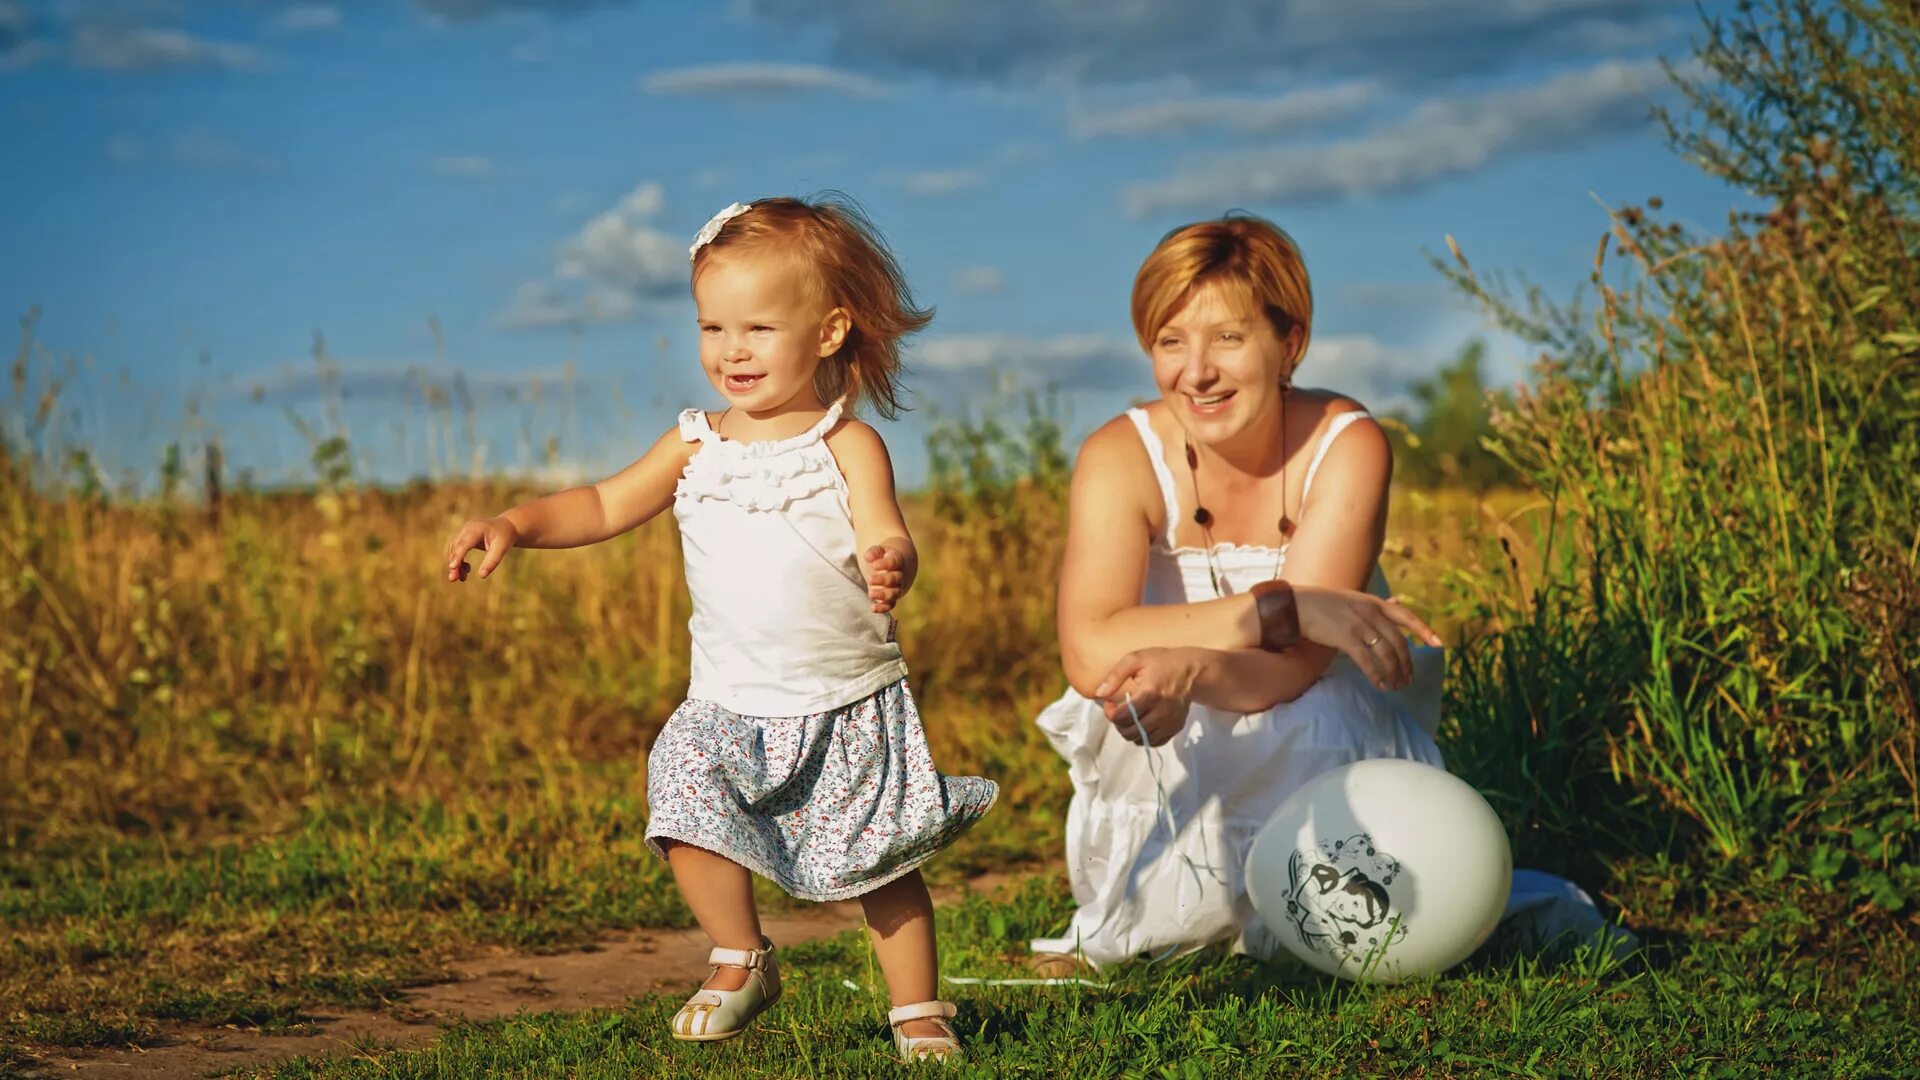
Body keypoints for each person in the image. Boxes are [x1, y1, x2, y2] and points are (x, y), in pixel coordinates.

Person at [443, 196, 995, 1062]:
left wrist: (893, 561)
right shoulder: (694, 444)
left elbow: (886, 530)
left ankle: (919, 1012)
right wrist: (514, 523)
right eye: (712, 327)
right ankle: (741, 956)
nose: (730, 350)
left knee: (881, 865)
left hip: (843, 696)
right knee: (684, 796)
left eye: (758, 328)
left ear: (827, 331)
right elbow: (601, 502)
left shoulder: (844, 444)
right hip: (727, 699)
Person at [1030, 214, 1450, 969]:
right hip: (1175, 719)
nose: (1197, 372)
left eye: (1227, 338)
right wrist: (1276, 609)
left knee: (1315, 715)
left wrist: (1187, 666)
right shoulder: (1118, 454)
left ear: (1290, 344)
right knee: (1134, 711)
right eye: (1170, 342)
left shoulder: (1346, 444)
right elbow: (1089, 651)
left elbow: (1292, 671)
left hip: (1306, 709)